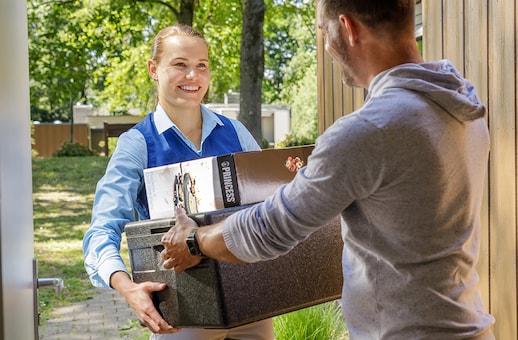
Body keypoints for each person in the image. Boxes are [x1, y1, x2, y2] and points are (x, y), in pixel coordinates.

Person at [161, 0, 496, 338]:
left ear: (347, 29)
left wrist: (193, 240)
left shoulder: (371, 130)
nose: (325, 45)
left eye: (324, 31)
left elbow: (271, 228)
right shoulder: (459, 107)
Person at [82, 24, 274, 339]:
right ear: (153, 70)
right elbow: (102, 229)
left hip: (251, 305)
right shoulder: (137, 144)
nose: (192, 76)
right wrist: (128, 288)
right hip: (184, 313)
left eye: (202, 66)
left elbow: (271, 210)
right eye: (180, 64)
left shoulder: (237, 133)